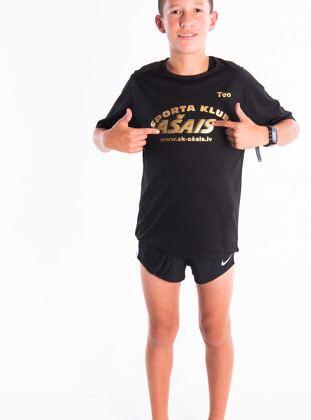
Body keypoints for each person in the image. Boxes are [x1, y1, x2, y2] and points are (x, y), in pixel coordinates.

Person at [92, 0, 300, 419]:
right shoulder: (144, 84)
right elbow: (100, 133)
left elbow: (291, 126)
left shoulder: (234, 80)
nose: (186, 21)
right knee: (162, 331)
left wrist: (263, 135)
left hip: (215, 233)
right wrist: (110, 141)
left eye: (196, 11)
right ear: (160, 22)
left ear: (212, 19)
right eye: (175, 12)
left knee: (215, 330)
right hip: (158, 231)